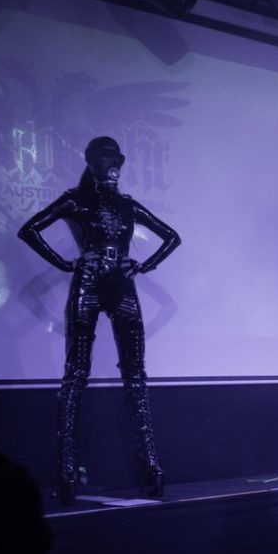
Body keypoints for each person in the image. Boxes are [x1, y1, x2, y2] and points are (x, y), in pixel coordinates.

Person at [18, 136, 181, 505]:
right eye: (106, 158)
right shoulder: (76, 200)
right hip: (89, 285)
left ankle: (151, 465)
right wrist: (67, 264)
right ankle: (67, 467)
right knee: (76, 373)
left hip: (120, 287)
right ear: (92, 160)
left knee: (135, 376)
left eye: (116, 158)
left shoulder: (126, 204)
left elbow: (172, 237)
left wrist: (143, 265)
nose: (113, 164)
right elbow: (29, 229)